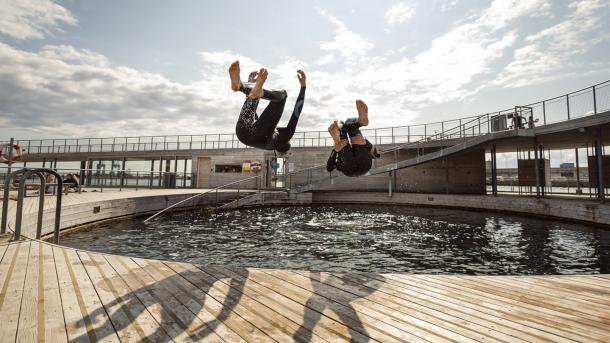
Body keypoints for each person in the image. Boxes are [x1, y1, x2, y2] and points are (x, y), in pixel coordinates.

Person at [229, 60, 306, 155]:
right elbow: (253, 116)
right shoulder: (268, 144)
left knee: (283, 96)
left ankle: (248, 88)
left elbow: (296, 112)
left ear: (288, 143)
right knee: (254, 96)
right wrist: (252, 89)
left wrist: (303, 86)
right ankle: (242, 86)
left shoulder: (285, 136)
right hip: (242, 135)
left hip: (256, 134)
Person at [326, 100, 380, 177]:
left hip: (352, 165)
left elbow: (329, 168)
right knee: (348, 125)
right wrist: (365, 142)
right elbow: (376, 155)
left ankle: (340, 131)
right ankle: (359, 122)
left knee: (344, 139)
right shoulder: (339, 161)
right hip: (364, 162)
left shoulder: (338, 162)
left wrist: (335, 151)